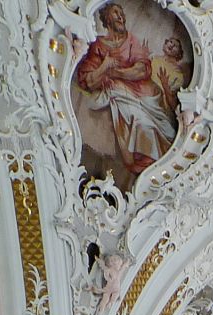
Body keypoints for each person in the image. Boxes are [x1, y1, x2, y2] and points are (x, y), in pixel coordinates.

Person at [76, 4, 178, 185]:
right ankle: (149, 165)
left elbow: (141, 70)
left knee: (168, 128)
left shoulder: (131, 40)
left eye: (122, 12)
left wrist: (115, 72)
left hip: (145, 93)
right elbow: (88, 80)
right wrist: (105, 67)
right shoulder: (98, 46)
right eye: (116, 12)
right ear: (107, 18)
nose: (121, 16)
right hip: (121, 94)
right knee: (141, 122)